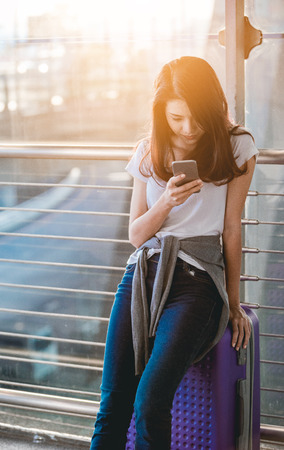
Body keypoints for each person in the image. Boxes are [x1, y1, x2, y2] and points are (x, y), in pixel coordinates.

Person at [90, 56, 258, 450]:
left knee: (150, 401)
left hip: (198, 280)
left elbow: (231, 230)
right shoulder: (148, 151)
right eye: (177, 118)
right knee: (113, 401)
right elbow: (135, 235)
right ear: (162, 113)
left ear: (213, 107)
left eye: (196, 118)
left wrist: (233, 304)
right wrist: (165, 202)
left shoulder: (238, 145)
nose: (187, 129)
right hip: (143, 274)